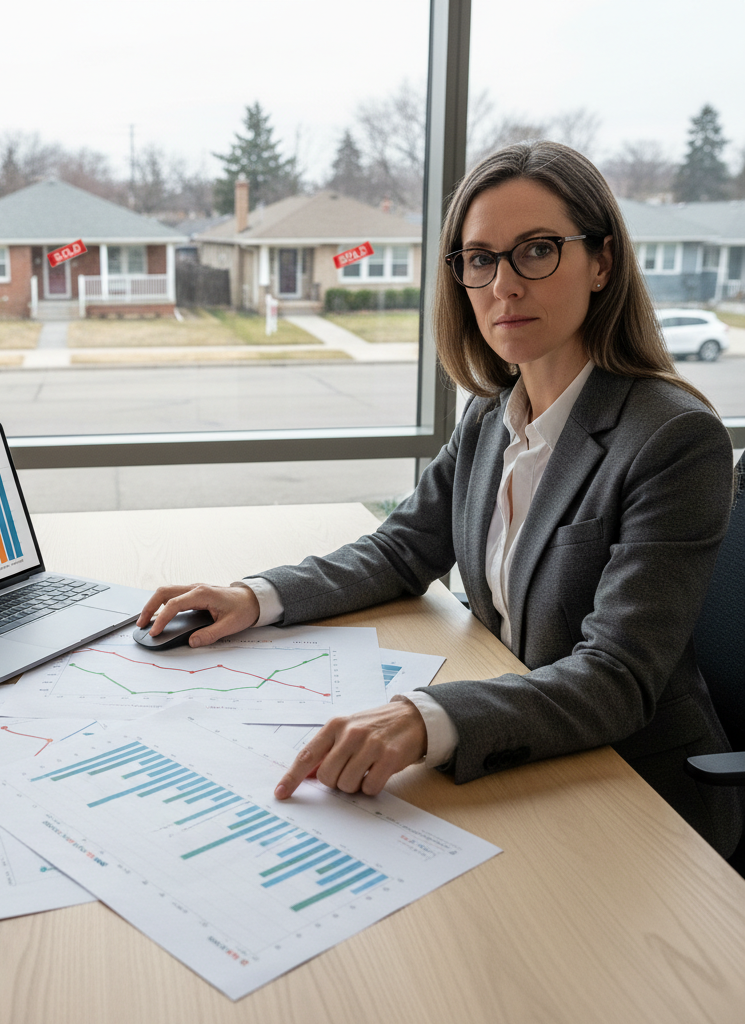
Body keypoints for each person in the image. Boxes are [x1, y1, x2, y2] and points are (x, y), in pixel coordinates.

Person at [137, 141, 742, 857]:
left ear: (602, 262)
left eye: (537, 251)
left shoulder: (673, 438)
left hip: (635, 791)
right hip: (523, 751)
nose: (503, 286)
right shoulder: (491, 414)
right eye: (479, 259)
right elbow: (403, 547)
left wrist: (423, 719)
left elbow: (617, 677)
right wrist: (256, 596)